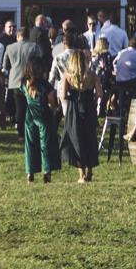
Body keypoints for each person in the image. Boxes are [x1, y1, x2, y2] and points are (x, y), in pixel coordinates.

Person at [57, 49, 100, 183]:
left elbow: (63, 95)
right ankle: (90, 171)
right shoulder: (92, 75)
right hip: (88, 108)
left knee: (77, 140)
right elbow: (99, 93)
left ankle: (81, 174)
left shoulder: (67, 76)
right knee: (90, 138)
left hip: (74, 110)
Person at [2, 24, 43, 139]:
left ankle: (20, 132)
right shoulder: (34, 46)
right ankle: (31, 129)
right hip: (30, 79)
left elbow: (5, 66)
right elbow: (39, 62)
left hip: (14, 80)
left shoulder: (9, 47)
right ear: (28, 36)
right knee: (31, 105)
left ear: (18, 35)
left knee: (19, 107)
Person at [18, 68, 56, 182]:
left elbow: (23, 94)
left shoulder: (24, 83)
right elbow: (51, 100)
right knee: (45, 144)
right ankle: (47, 171)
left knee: (30, 144)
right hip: (43, 114)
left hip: (30, 115)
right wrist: (54, 108)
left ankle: (30, 172)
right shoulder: (44, 85)